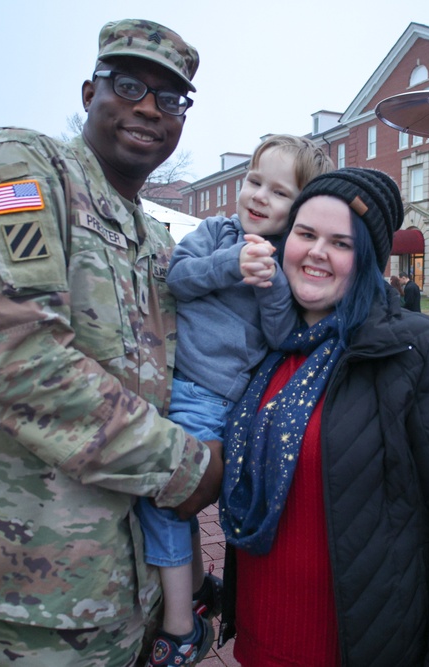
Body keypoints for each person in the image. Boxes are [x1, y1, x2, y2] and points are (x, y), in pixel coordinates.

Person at [0, 19, 223, 667]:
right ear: (87, 93)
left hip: (131, 588)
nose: (151, 108)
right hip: (33, 594)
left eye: (172, 98)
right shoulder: (19, 167)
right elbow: (13, 357)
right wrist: (186, 468)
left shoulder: (155, 240)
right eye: (129, 84)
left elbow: (175, 384)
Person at [220, 168, 429, 666]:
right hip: (262, 631)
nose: (316, 252)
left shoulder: (421, 350)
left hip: (356, 644)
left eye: (341, 243)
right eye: (306, 234)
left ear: (370, 259)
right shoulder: (263, 346)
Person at [138, 134, 332, 663]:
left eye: (278, 191)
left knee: (166, 498)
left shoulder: (286, 260)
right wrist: (231, 263)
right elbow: (178, 277)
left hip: (212, 399)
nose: (259, 196)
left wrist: (267, 282)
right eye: (253, 182)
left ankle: (181, 627)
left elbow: (279, 334)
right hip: (165, 384)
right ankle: (199, 588)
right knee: (168, 498)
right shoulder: (215, 232)